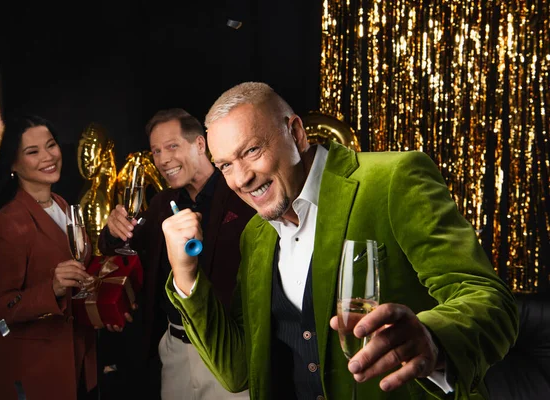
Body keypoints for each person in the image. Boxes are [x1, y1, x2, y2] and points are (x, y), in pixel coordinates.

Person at [161, 82, 520, 399]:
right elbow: (238, 369)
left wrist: (434, 337)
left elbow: (488, 299)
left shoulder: (393, 179)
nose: (241, 178)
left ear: (297, 133)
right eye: (225, 165)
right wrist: (186, 276)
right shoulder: (255, 236)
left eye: (252, 151)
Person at [97, 108, 255, 399]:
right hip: (173, 350)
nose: (162, 159)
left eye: (172, 146)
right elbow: (120, 245)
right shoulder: (162, 202)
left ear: (199, 144)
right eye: (156, 151)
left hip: (226, 349)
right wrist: (111, 228)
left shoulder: (240, 193)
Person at [0, 115, 97, 400]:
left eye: (51, 145)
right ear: (13, 163)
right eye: (32, 152)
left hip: (76, 358)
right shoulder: (8, 222)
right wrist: (52, 288)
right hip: (34, 371)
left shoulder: (62, 204)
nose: (48, 157)